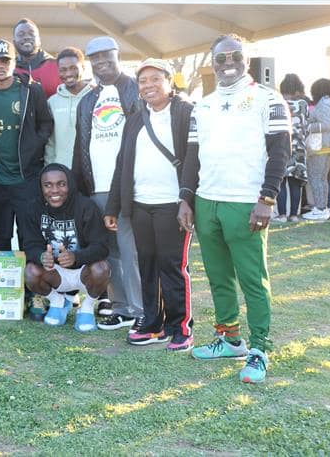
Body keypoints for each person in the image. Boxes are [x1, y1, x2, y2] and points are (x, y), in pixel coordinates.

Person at [178, 33, 291, 384]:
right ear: (212, 62)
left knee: (252, 279)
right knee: (218, 276)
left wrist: (266, 199)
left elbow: (280, 153)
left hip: (246, 203)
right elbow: (193, 156)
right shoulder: (203, 105)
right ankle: (229, 339)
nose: (228, 63)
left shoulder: (268, 99)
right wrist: (186, 198)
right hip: (207, 201)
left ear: (246, 59)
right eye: (221, 58)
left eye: (235, 56)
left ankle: (259, 348)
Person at [105, 59, 194, 351]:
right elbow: (122, 164)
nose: (148, 85)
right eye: (142, 81)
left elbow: (194, 159)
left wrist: (187, 199)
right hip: (140, 205)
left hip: (172, 205)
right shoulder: (135, 119)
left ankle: (180, 328)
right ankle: (154, 325)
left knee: (173, 267)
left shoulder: (185, 112)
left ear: (169, 81)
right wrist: (112, 206)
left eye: (155, 79)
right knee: (147, 266)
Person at [72, 36, 143, 329]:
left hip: (129, 186)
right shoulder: (88, 100)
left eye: (106, 56)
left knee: (131, 251)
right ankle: (122, 307)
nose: (101, 62)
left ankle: (141, 309)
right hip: (96, 187)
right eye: (95, 58)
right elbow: (80, 147)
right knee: (109, 251)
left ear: (118, 56)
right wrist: (79, 188)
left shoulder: (136, 89)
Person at [0, 39, 53, 251]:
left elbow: (46, 123)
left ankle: (31, 274)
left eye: (5, 61)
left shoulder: (31, 91)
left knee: (30, 237)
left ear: (14, 64)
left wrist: (34, 146)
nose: (0, 66)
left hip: (26, 178)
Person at [23, 164, 110, 329]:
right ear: (41, 188)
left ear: (70, 184)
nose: (54, 190)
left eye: (61, 184)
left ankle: (87, 307)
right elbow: (30, 245)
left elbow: (101, 247)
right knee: (31, 272)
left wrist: (76, 257)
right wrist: (42, 256)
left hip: (83, 271)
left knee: (101, 269)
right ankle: (58, 302)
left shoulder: (86, 206)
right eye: (48, 185)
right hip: (55, 272)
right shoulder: (33, 208)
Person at [45, 47, 94, 167]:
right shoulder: (52, 102)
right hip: (62, 170)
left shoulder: (96, 97)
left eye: (73, 68)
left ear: (83, 67)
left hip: (92, 170)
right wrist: (50, 168)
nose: (68, 74)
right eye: (63, 70)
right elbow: (50, 142)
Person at [301, 78, 330, 221]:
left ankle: (320, 208)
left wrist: (307, 127)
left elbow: (325, 125)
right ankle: (322, 207)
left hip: (320, 145)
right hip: (328, 145)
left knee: (315, 177)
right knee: (322, 178)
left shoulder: (324, 103)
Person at [275, 73, 309, 222]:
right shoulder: (303, 104)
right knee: (296, 182)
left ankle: (282, 215)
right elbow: (306, 125)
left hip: (281, 146)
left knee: (281, 181)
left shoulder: (278, 103)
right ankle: (294, 215)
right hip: (299, 148)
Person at [13, 18, 60, 99]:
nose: (27, 37)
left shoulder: (57, 66)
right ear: (14, 42)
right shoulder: (10, 70)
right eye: (21, 34)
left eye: (31, 33)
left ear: (39, 40)